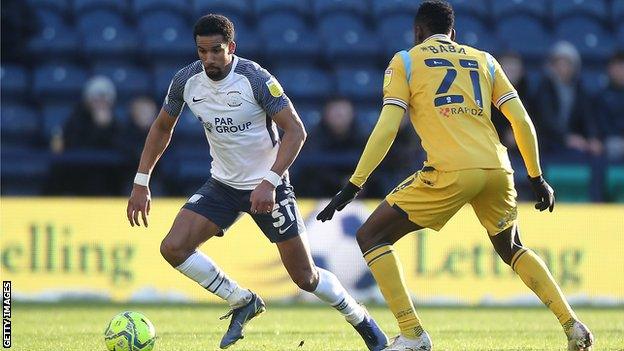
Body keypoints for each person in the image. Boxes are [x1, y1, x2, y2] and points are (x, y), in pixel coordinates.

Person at [317, 1, 593, 350]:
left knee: (371, 236)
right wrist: (537, 177)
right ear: (454, 34)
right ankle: (573, 326)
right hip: (498, 169)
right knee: (512, 248)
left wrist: (354, 184)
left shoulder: (405, 60)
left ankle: (413, 334)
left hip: (450, 170)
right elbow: (521, 121)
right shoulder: (485, 60)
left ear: (417, 32)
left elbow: (388, 126)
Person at [125, 14, 387, 350]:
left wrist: (270, 181)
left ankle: (362, 320)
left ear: (231, 48)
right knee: (173, 248)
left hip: (270, 188)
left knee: (305, 278)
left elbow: (296, 131)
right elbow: (162, 127)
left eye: (215, 51)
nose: (208, 59)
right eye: (201, 51)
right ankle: (242, 300)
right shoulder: (185, 81)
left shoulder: (254, 79)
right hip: (222, 185)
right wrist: (141, 182)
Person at [534, 41, 601, 157]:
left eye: (567, 64)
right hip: (547, 139)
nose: (562, 68)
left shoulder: (580, 89)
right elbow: (546, 120)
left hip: (574, 140)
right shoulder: (544, 88)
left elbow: (587, 117)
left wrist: (592, 138)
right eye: (558, 64)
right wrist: (566, 138)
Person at [298, 97, 366, 197]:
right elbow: (313, 170)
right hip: (319, 196)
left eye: (344, 112)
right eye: (336, 112)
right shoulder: (313, 140)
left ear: (352, 114)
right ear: (326, 114)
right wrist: (340, 181)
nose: (340, 115)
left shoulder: (362, 139)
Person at [598, 51, 624, 161]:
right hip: (611, 139)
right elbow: (603, 124)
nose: (620, 71)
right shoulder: (602, 96)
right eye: (616, 67)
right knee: (614, 146)